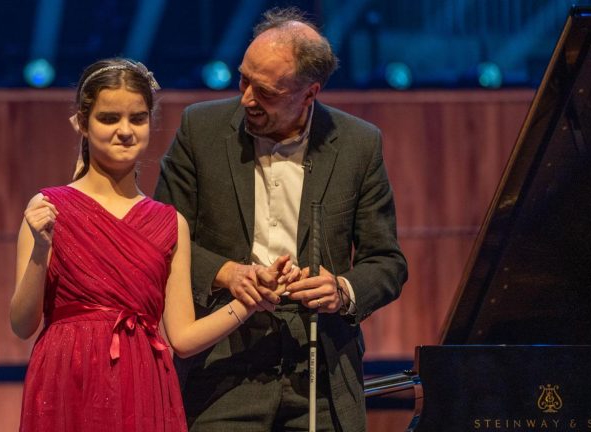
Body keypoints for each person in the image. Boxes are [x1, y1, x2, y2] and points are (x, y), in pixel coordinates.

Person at [9, 58, 298, 432]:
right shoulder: (48, 208)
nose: (125, 131)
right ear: (82, 123)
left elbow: (184, 338)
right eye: (109, 118)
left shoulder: (168, 222)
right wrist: (40, 250)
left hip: (142, 381)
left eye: (138, 118)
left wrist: (249, 302)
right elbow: (22, 324)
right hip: (67, 376)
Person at [154, 7, 408, 432]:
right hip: (223, 362)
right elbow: (162, 238)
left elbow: (387, 262)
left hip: (318, 365)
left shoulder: (359, 145)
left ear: (309, 93)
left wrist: (341, 289)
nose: (247, 97)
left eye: (266, 91)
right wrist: (228, 273)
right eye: (244, 78)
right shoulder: (200, 128)